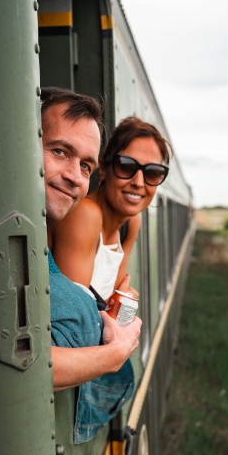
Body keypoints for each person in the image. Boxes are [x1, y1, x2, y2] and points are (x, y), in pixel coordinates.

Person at [41, 87, 142, 397]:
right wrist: (113, 352)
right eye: (59, 151)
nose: (75, 176)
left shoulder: (130, 223)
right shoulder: (84, 216)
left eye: (86, 166)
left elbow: (118, 290)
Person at [49, 117, 171, 301]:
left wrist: (115, 305)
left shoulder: (130, 223)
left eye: (152, 172)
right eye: (125, 166)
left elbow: (115, 300)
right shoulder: (84, 214)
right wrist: (117, 306)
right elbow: (78, 319)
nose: (138, 182)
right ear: (104, 168)